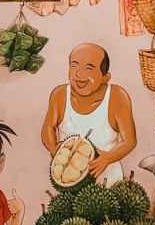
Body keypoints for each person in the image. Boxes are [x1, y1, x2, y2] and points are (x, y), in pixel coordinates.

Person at [41, 42, 137, 184]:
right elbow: (47, 128)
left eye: (89, 68)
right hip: (69, 181)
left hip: (108, 181)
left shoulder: (117, 96)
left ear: (105, 77)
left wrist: (107, 158)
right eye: (74, 65)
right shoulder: (59, 95)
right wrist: (57, 152)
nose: (79, 74)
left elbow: (130, 141)